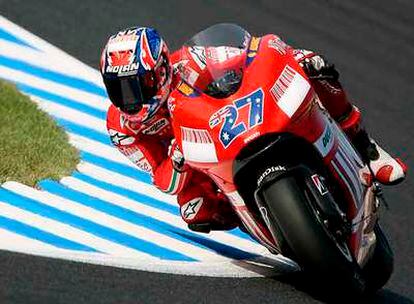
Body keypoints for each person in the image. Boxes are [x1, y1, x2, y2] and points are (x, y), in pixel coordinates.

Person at [100, 26, 407, 233]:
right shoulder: (121, 127)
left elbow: (251, 54)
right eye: (120, 89)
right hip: (196, 160)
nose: (132, 98)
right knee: (195, 212)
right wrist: (178, 159)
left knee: (316, 67)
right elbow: (163, 180)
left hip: (231, 124)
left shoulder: (191, 61)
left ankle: (365, 146)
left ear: (162, 69)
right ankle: (270, 220)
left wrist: (294, 57)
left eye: (140, 84)